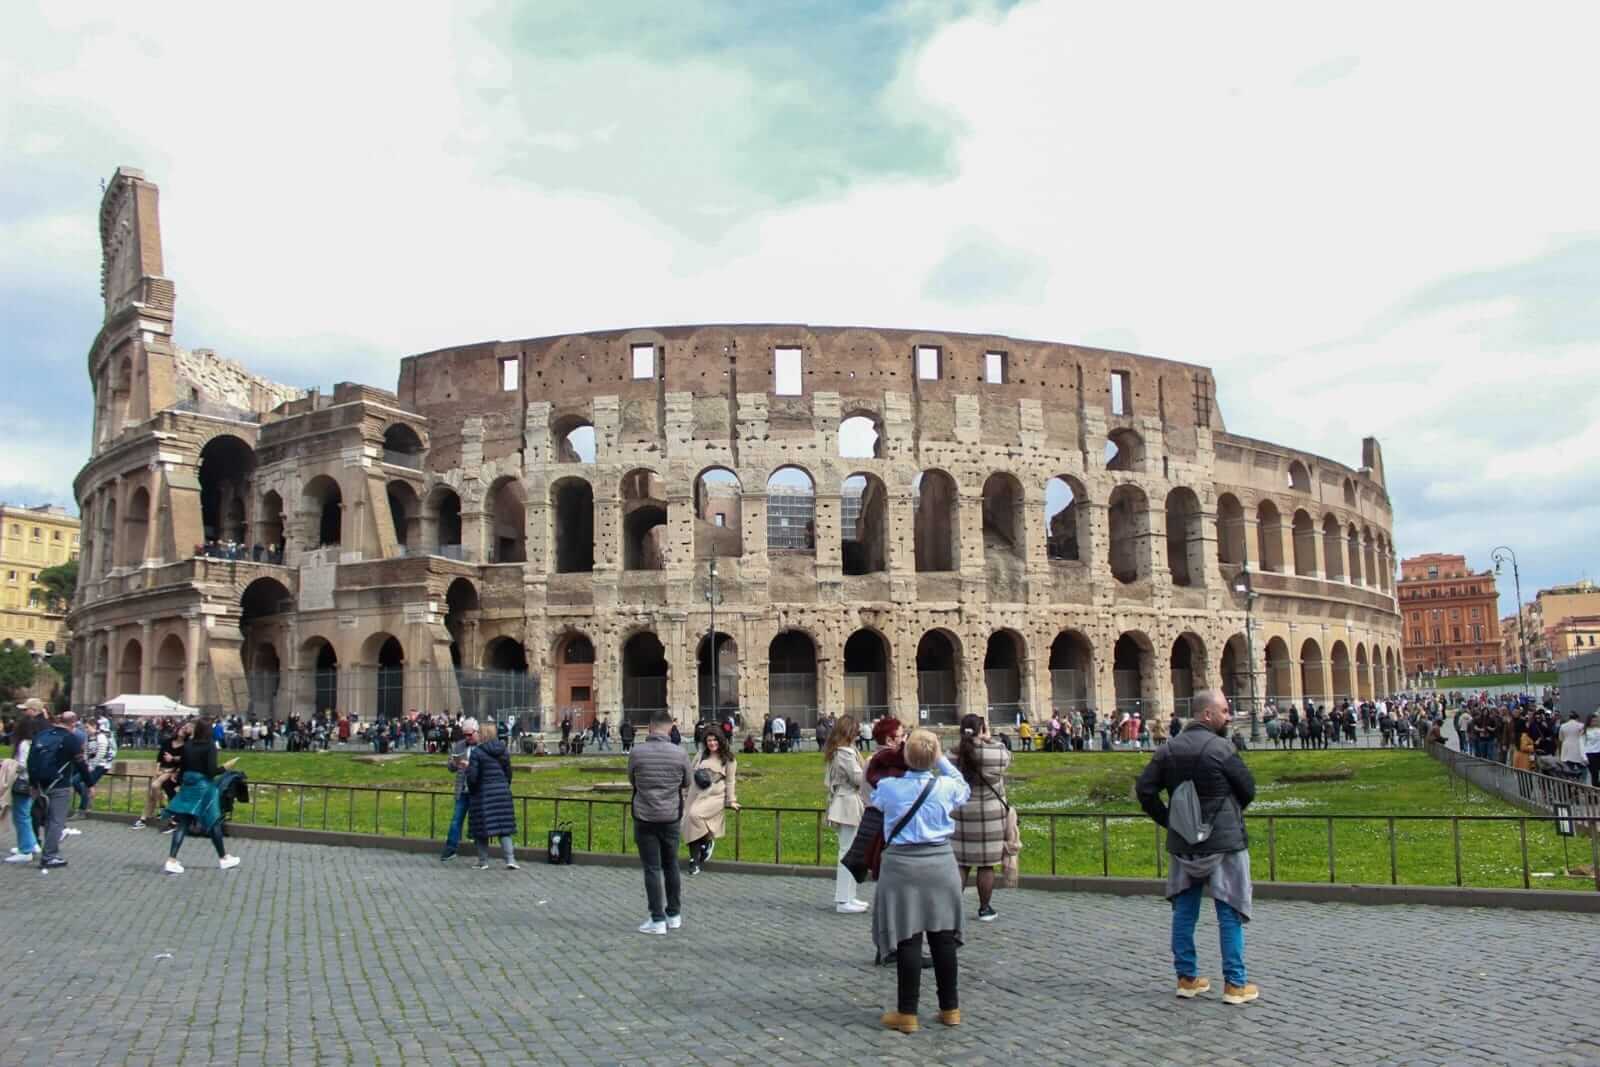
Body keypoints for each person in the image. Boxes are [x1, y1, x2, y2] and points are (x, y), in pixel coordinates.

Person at [1135, 689, 1258, 1006]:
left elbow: (1145, 790)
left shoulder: (1168, 750)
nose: (1229, 716)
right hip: (1224, 842)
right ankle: (1235, 984)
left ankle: (1186, 978)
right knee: (1229, 912)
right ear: (1207, 714)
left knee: (1184, 913)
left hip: (1184, 842)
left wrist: (1170, 820)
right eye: (1225, 711)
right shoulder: (1221, 748)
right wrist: (1230, 812)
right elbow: (1248, 788)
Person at [870, 728, 971, 1033]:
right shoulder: (946, 787)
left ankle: (907, 1013)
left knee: (908, 937)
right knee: (943, 939)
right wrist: (939, 759)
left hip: (902, 866)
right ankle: (950, 1008)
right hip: (940, 864)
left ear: (905, 755)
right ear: (935, 756)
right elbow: (964, 786)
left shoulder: (889, 787)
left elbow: (870, 794)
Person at [627, 709, 690, 934]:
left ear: (650, 728)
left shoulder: (637, 752)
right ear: (670, 728)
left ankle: (657, 919)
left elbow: (631, 778)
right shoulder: (680, 753)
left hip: (644, 816)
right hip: (671, 815)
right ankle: (674, 914)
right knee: (671, 864)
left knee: (652, 868)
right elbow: (687, 782)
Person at [951, 714, 1011, 923]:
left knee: (961, 864)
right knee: (986, 865)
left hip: (961, 815)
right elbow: (1007, 754)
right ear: (983, 730)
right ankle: (984, 908)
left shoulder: (953, 756)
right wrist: (988, 739)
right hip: (989, 817)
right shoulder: (995, 753)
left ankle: (952, 909)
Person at [162, 717, 241, 874]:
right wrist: (226, 767)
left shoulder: (188, 745)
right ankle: (224, 858)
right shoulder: (209, 746)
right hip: (203, 787)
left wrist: (179, 782)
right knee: (213, 821)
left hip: (188, 784)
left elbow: (183, 767)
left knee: (183, 823)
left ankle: (171, 859)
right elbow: (211, 771)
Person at [822, 715, 869, 913]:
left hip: (850, 801)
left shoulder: (845, 751)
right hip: (846, 802)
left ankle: (849, 895)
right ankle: (843, 900)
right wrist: (871, 765)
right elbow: (858, 778)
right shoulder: (844, 754)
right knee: (846, 852)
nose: (858, 734)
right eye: (856, 730)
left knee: (851, 851)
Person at [683, 728, 738, 875]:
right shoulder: (701, 755)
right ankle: (694, 860)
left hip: (714, 794)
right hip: (696, 792)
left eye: (715, 740)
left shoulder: (729, 759)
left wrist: (731, 800)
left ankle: (706, 842)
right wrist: (685, 792)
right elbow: (691, 772)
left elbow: (730, 781)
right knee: (688, 821)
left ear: (720, 741)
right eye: (709, 741)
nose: (712, 743)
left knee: (695, 815)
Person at [466, 722, 517, 870]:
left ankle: (483, 861)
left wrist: (472, 789)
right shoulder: (503, 750)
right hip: (502, 793)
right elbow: (509, 773)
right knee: (504, 827)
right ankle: (510, 859)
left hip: (484, 794)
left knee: (482, 828)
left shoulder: (477, 752)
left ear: (482, 735)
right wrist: (504, 786)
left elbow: (473, 777)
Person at [132, 722, 190, 830]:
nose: (182, 731)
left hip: (171, 771)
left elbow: (182, 762)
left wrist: (172, 766)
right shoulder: (168, 742)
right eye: (181, 728)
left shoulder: (186, 746)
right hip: (161, 770)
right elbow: (159, 758)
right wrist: (157, 771)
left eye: (184, 730)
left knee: (154, 786)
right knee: (151, 794)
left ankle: (161, 807)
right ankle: (144, 818)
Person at [440, 718, 478, 861]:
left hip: (476, 790)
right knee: (456, 820)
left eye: (470, 734)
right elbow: (450, 766)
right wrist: (455, 764)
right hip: (462, 790)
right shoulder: (459, 746)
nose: (467, 737)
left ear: (476, 732)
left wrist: (470, 765)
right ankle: (450, 848)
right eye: (465, 735)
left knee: (477, 821)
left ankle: (481, 849)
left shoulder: (482, 746)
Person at [74, 717, 117, 816]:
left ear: (94, 726)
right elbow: (86, 751)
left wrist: (92, 766)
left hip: (101, 765)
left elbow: (101, 753)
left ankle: (82, 809)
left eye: (87, 727)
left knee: (86, 785)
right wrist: (86, 763)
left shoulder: (101, 737)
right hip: (90, 764)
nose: (86, 730)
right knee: (75, 781)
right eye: (85, 728)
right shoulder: (88, 737)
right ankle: (86, 799)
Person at [1557, 712, 1588, 780]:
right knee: (1583, 768)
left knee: (1568, 768)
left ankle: (1569, 783)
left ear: (1569, 718)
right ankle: (1583, 783)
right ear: (1577, 718)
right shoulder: (1581, 725)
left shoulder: (1563, 726)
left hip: (1566, 749)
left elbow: (1561, 738)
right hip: (1578, 748)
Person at [1584, 713, 1600, 787]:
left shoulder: (1599, 730)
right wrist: (1584, 757)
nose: (1595, 722)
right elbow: (1581, 745)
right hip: (1590, 754)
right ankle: (1594, 791)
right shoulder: (1585, 731)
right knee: (1594, 773)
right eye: (1593, 721)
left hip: (1599, 753)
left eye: (1596, 720)